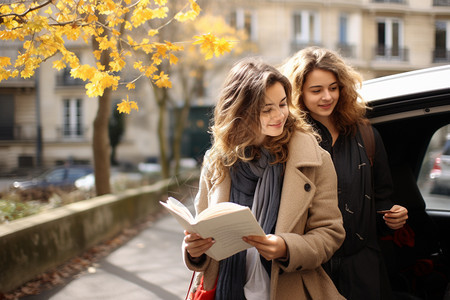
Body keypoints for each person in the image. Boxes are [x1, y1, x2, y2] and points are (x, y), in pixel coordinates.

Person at [182, 57, 346, 300]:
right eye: (266, 109)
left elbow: (330, 233)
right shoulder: (217, 160)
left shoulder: (314, 159)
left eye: (282, 104)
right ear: (241, 113)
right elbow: (202, 227)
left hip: (289, 289)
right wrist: (194, 251)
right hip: (225, 290)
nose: (279, 115)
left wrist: (286, 247)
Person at [280, 46, 409, 300]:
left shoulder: (367, 135)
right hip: (310, 272)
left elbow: (382, 201)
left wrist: (393, 217)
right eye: (316, 90)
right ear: (299, 94)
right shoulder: (289, 142)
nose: (327, 96)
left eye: (334, 87)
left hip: (364, 271)